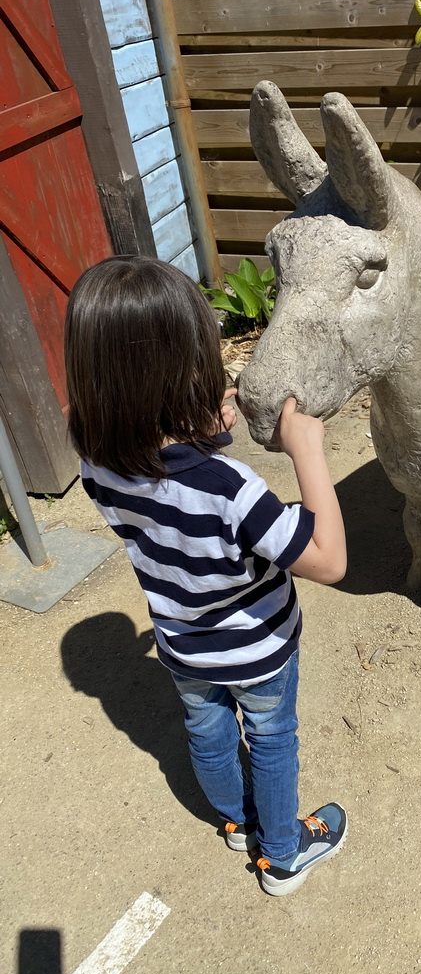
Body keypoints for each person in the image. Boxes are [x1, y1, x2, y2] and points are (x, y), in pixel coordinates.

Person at [63, 255, 348, 897]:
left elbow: (160, 484)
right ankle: (281, 853)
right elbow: (327, 558)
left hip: (182, 645)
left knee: (207, 730)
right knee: (271, 739)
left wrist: (198, 429)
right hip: (259, 650)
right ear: (182, 376)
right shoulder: (230, 490)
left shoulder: (95, 462)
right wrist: (308, 451)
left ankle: (236, 822)